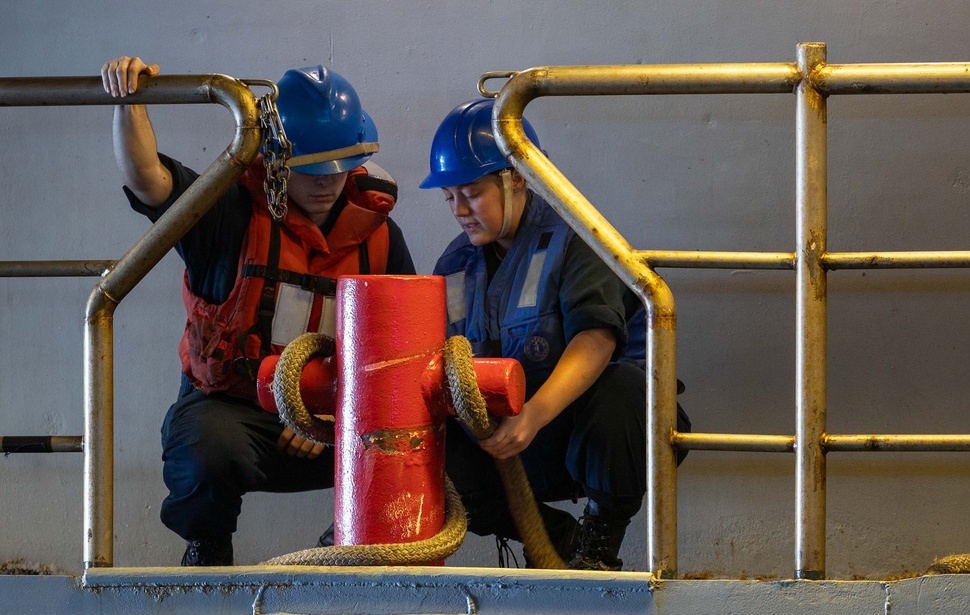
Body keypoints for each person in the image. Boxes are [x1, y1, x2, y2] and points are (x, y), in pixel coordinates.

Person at [101, 56, 416, 566]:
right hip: (238, 415)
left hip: (337, 420)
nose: (325, 182)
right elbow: (148, 180)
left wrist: (334, 417)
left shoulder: (381, 238)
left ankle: (352, 543)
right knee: (202, 448)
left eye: (339, 165)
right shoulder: (228, 213)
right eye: (309, 167)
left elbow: (401, 357)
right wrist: (129, 101)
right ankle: (208, 553)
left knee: (426, 437)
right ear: (274, 158)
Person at [423, 99, 690, 571]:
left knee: (623, 388)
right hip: (509, 443)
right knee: (426, 437)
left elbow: (596, 338)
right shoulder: (454, 266)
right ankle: (552, 535)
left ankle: (599, 543)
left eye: (472, 193)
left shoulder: (577, 235)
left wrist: (532, 416)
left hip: (589, 436)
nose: (460, 210)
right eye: (449, 198)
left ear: (518, 178)